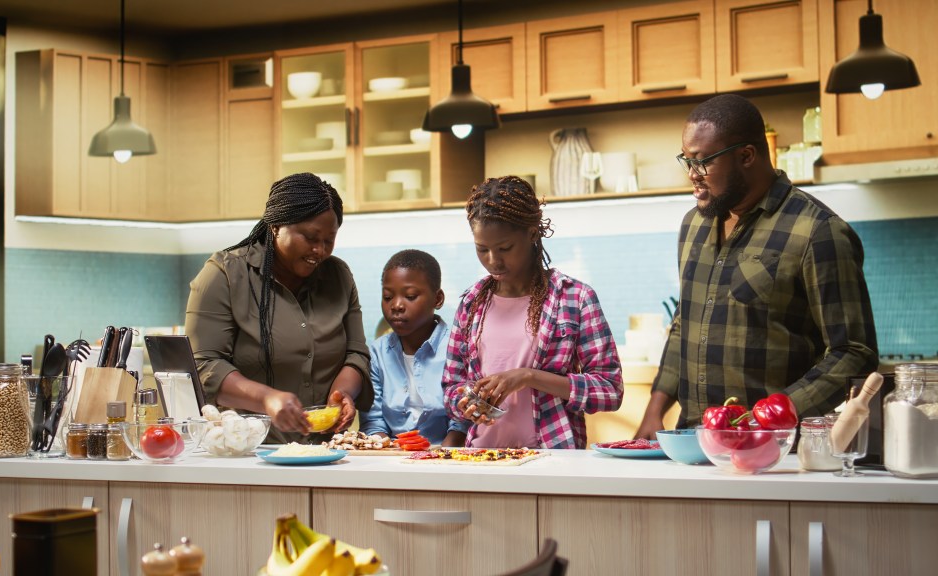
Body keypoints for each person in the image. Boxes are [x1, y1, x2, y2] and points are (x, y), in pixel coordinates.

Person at [634, 94, 878, 439]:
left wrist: (768, 419)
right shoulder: (694, 226)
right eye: (686, 160)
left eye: (703, 162)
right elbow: (684, 323)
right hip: (694, 442)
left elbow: (854, 353)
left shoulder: (818, 232)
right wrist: (655, 410)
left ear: (746, 156)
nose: (692, 175)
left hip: (774, 451)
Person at [185, 172, 372, 445]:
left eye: (329, 240)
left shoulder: (339, 276)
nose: (320, 250)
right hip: (248, 452)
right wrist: (266, 398)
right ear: (275, 226)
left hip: (327, 451)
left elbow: (356, 354)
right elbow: (203, 366)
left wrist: (343, 393)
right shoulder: (224, 274)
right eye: (310, 237)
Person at [442, 175, 624, 449]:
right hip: (481, 458)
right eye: (482, 249)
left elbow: (610, 390)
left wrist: (528, 376)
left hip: (552, 459)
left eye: (504, 248)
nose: (493, 260)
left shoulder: (575, 298)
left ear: (532, 233)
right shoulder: (471, 303)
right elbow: (451, 388)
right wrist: (466, 402)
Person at [360, 249, 469, 447]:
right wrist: (387, 451)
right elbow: (373, 421)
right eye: (387, 297)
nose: (396, 305)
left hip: (448, 456)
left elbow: (462, 420)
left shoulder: (457, 347)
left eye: (410, 296)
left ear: (438, 299)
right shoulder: (376, 353)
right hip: (391, 458)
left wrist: (440, 458)